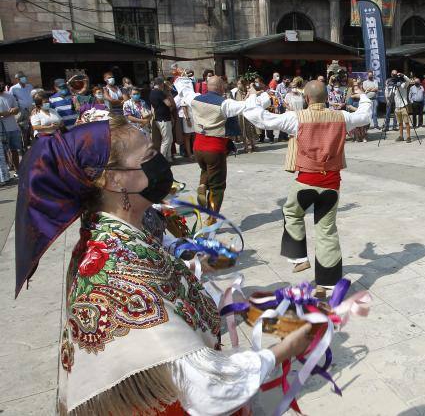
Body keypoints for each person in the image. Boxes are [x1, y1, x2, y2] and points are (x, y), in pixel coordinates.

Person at [15, 117, 315, 415]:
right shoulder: (114, 272)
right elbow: (205, 386)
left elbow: (159, 285)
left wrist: (197, 271)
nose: (159, 162)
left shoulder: (112, 234)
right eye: (147, 156)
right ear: (112, 179)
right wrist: (284, 350)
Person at [243, 80, 371, 285]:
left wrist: (252, 97)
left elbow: (261, 119)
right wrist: (363, 95)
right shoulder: (342, 117)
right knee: (326, 231)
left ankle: (299, 258)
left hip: (306, 180)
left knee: (291, 212)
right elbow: (365, 115)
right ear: (327, 97)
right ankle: (328, 282)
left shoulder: (296, 118)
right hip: (331, 183)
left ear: (306, 98)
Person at [177, 75, 243, 220]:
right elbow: (243, 109)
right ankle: (211, 217)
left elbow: (184, 91)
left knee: (205, 169)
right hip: (215, 148)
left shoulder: (195, 99)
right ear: (220, 87)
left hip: (198, 146)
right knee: (218, 187)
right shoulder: (225, 103)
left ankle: (202, 184)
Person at [149, 77, 176, 162]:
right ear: (161, 84)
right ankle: (162, 159)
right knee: (166, 140)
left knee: (169, 139)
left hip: (160, 118)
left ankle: (168, 157)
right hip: (163, 119)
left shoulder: (152, 92)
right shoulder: (159, 93)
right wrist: (168, 95)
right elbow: (168, 104)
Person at [0, 81, 22, 171]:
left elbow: (17, 109)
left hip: (13, 127)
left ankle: (17, 170)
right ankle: (8, 170)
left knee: (14, 150)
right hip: (1, 129)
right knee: (3, 152)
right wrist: (7, 112)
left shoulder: (9, 95)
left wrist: (14, 110)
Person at [231, 78, 257, 152]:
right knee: (244, 130)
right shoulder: (237, 92)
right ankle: (247, 146)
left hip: (248, 113)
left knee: (250, 130)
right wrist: (247, 96)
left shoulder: (246, 91)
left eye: (240, 83)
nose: (239, 85)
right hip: (242, 114)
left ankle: (252, 145)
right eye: (238, 84)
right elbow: (240, 103)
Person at [10, 72, 34, 148]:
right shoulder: (13, 88)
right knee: (22, 129)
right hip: (21, 111)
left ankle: (33, 145)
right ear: (17, 79)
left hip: (31, 110)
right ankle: (23, 147)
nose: (24, 78)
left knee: (32, 128)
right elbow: (11, 100)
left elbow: (33, 96)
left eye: (24, 77)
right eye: (22, 77)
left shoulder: (29, 86)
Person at [389, 72, 412, 143]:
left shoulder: (403, 85)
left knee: (407, 122)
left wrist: (403, 75)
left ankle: (408, 137)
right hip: (397, 107)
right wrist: (393, 88)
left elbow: (409, 81)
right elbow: (391, 96)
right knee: (400, 123)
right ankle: (401, 136)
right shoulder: (394, 87)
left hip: (404, 106)